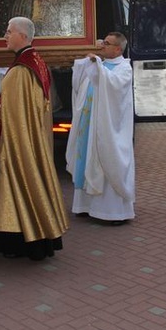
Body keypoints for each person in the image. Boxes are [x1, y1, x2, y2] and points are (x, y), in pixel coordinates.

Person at [0, 17, 70, 260]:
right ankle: (37, 239)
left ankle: (18, 243)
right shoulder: (35, 62)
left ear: (22, 35)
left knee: (14, 184)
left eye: (9, 31)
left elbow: (9, 113)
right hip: (31, 139)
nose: (5, 36)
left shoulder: (21, 70)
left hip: (15, 141)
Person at [65, 32, 135, 224]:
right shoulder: (101, 64)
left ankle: (111, 212)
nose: (102, 45)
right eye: (102, 42)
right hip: (89, 125)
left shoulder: (124, 68)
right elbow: (80, 84)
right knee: (86, 158)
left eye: (107, 43)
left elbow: (114, 86)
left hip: (109, 130)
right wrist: (86, 64)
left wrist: (96, 65)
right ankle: (85, 205)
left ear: (118, 49)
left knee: (107, 159)